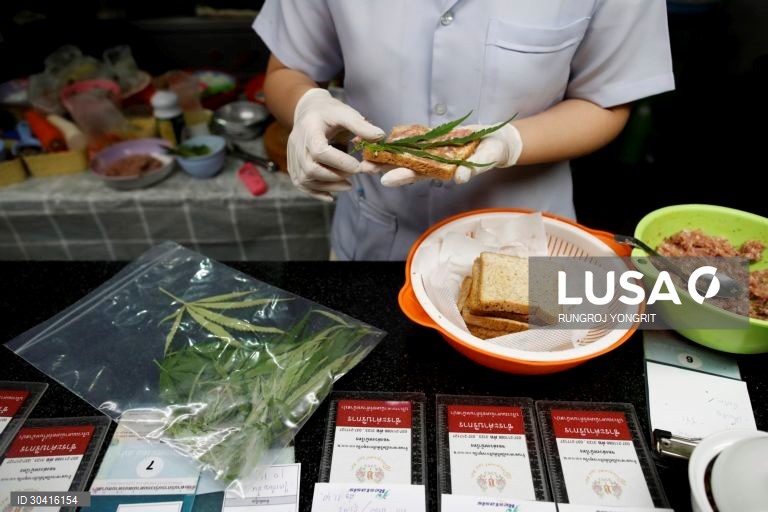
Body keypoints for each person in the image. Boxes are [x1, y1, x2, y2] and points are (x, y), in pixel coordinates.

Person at [254, 1, 674, 261]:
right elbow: (287, 68)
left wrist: (509, 143)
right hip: (375, 234)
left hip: (527, 240)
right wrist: (307, 105)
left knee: (526, 389)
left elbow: (606, 100)